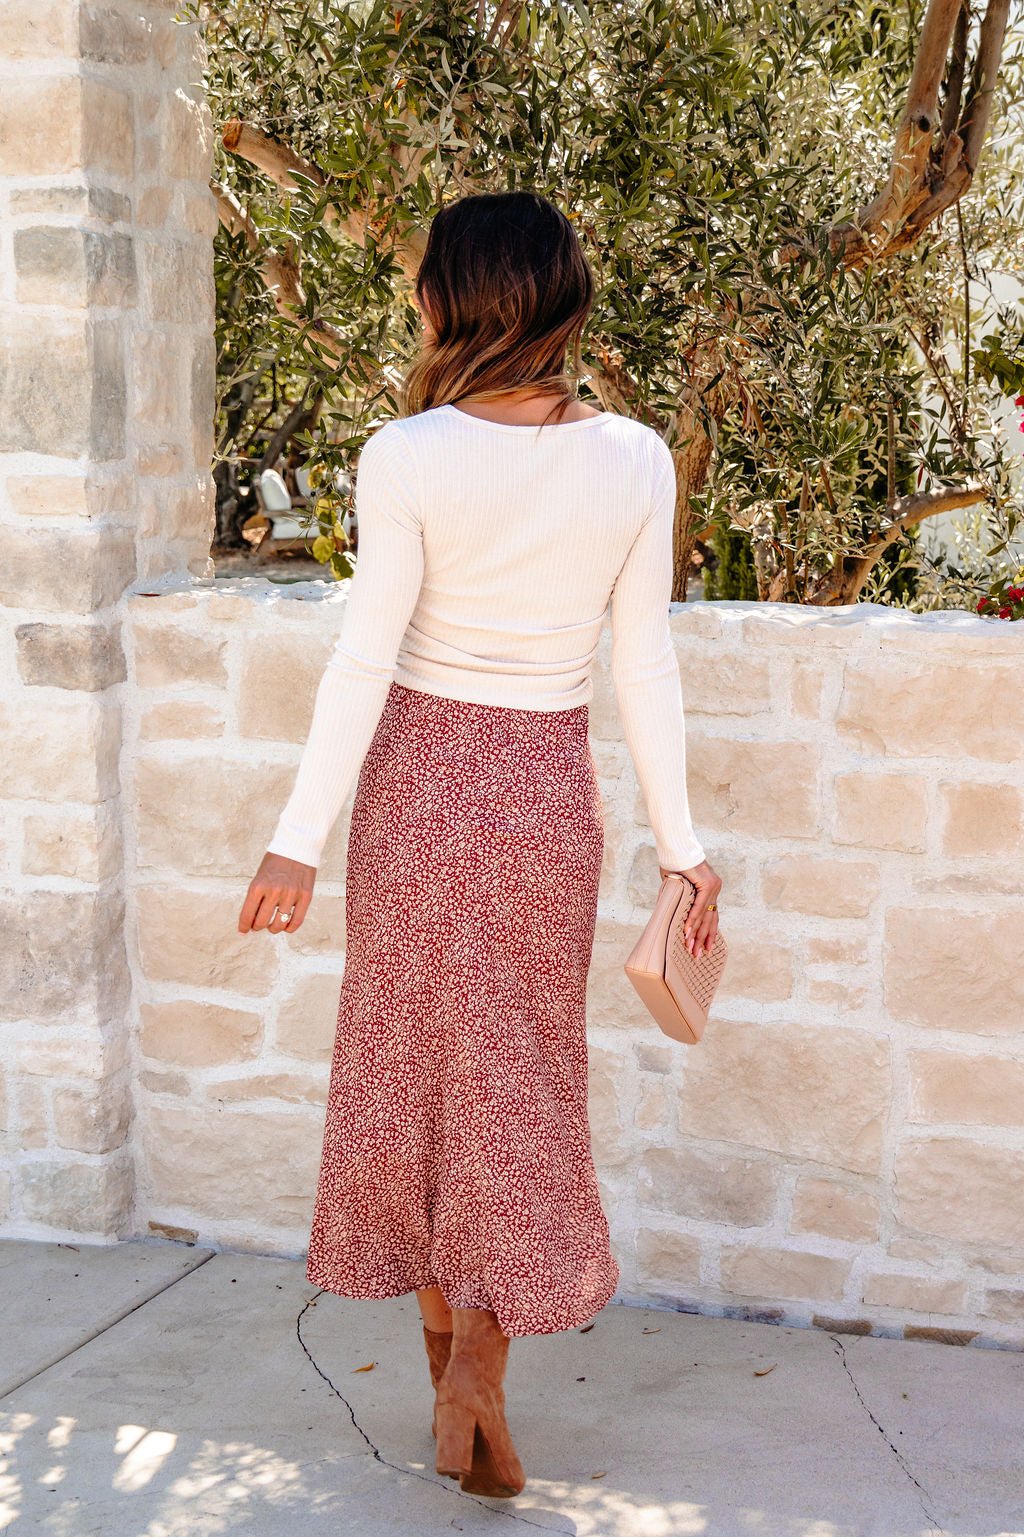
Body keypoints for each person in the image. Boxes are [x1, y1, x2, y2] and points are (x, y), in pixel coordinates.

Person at [238, 190, 722, 1499]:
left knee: (410, 1075)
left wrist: (293, 842)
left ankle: (451, 1368)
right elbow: (646, 667)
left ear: (458, 297)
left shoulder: (407, 454)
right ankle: (479, 1385)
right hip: (542, 796)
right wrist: (684, 847)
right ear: (558, 301)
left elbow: (364, 658)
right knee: (516, 1081)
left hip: (414, 790)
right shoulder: (633, 458)